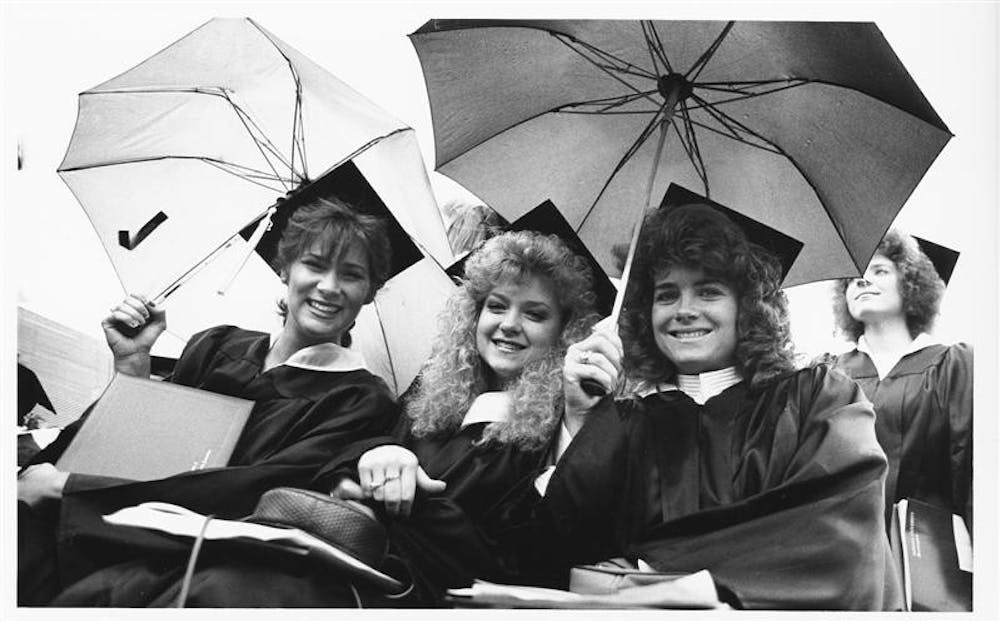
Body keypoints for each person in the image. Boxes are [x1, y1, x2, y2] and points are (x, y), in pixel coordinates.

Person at [89, 229, 605, 608]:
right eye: (497, 306)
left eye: (535, 314)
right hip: (339, 562)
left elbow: (530, 560)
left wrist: (412, 496)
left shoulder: (565, 428)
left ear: (565, 330)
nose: (509, 325)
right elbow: (343, 466)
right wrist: (376, 457)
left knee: (227, 592)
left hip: (408, 597)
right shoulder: (432, 399)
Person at [17, 197, 400, 606]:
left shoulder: (361, 400)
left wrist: (71, 490)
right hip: (102, 529)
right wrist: (132, 369)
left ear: (369, 292)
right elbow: (138, 447)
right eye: (315, 264)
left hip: (193, 563)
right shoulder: (217, 344)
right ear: (285, 268)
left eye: (352, 274)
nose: (329, 286)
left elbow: (247, 490)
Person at [522, 201, 902, 610]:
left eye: (708, 291)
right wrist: (580, 421)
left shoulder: (818, 399)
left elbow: (838, 535)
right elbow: (553, 553)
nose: (685, 311)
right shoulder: (626, 421)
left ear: (748, 306)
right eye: (667, 295)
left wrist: (648, 572)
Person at [830, 229, 972, 531]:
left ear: (911, 283)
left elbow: (973, 476)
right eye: (852, 277)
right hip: (841, 550)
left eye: (880, 270)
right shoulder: (827, 374)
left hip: (929, 549)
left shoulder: (953, 367)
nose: (862, 280)